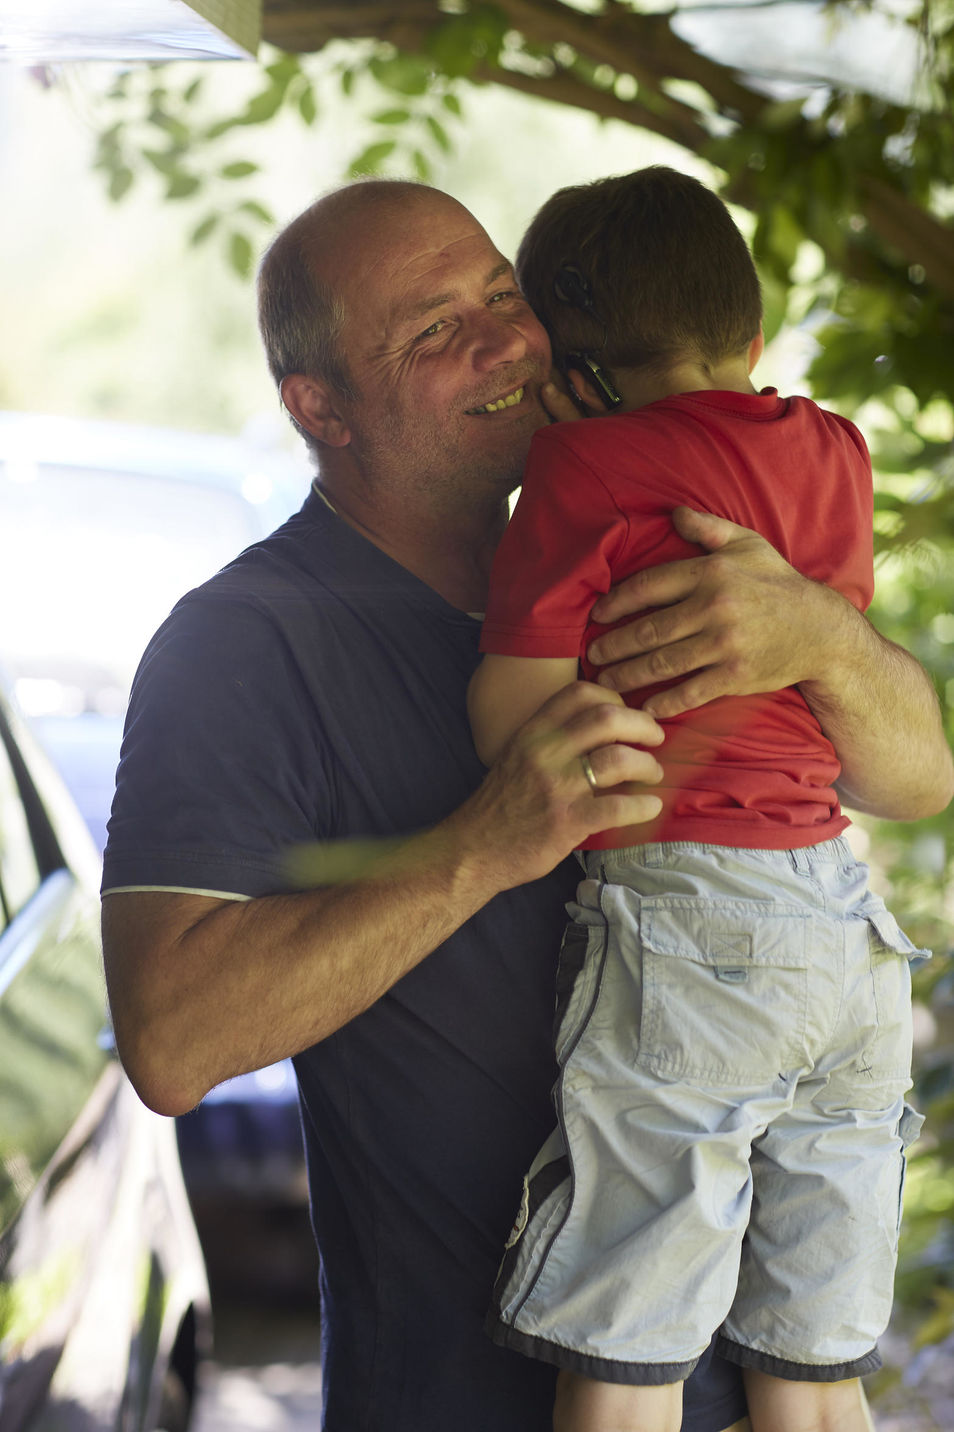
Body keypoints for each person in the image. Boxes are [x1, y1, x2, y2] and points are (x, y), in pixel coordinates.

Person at [100, 178, 953, 1432]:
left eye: (504, 293)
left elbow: (920, 777)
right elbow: (171, 1041)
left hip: (751, 1381)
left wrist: (823, 637)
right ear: (317, 405)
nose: (507, 339)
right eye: (434, 329)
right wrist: (479, 849)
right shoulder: (242, 642)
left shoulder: (643, 533)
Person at [468, 167, 944, 1432]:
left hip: (691, 920)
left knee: (628, 1352)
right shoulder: (837, 449)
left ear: (568, 360)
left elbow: (515, 723)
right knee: (815, 1365)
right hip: (842, 926)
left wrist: (557, 473)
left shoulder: (582, 466)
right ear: (748, 336)